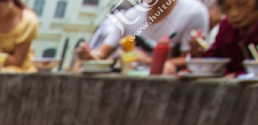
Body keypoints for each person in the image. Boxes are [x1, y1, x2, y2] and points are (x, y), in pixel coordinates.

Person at [77, 0, 208, 73]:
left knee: (168, 69)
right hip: (130, 80)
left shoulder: (193, 12)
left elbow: (189, 61)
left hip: (168, 83)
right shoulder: (130, 16)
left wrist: (148, 61)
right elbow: (100, 55)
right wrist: (86, 54)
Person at [189, 0, 258, 74]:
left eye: (242, 3)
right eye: (228, 8)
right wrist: (199, 54)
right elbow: (213, 62)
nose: (234, 13)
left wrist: (238, 75)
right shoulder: (226, 27)